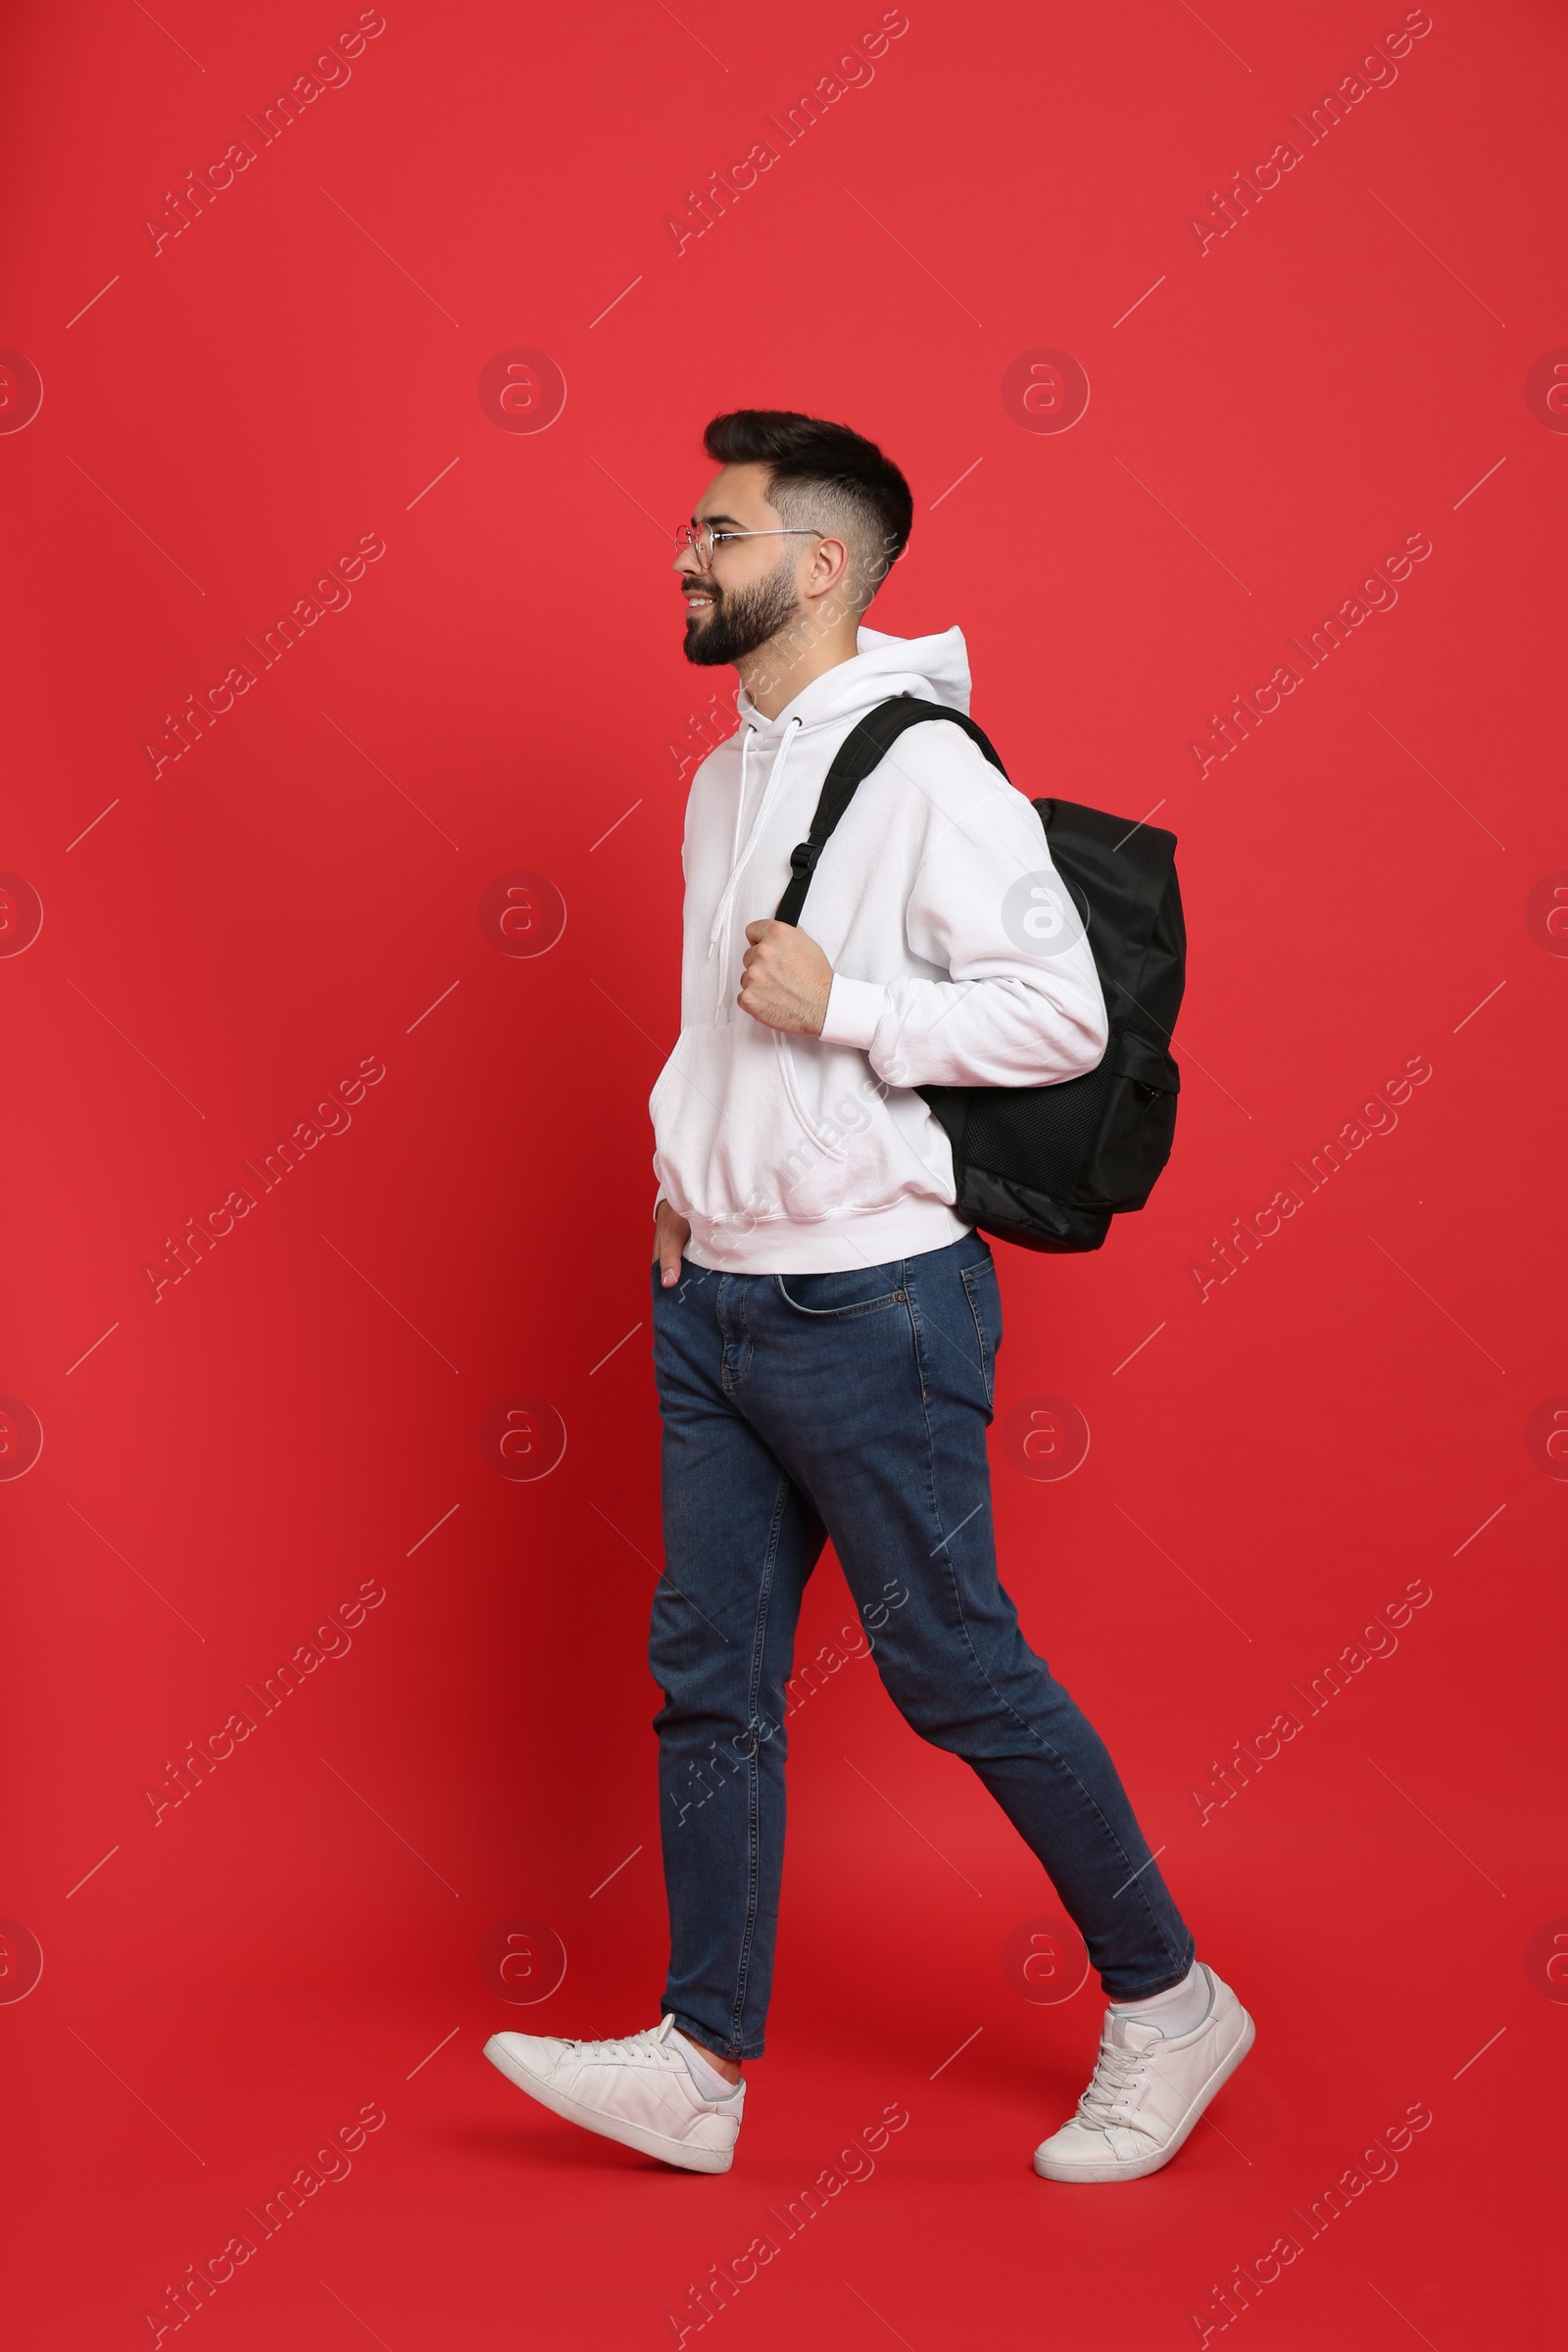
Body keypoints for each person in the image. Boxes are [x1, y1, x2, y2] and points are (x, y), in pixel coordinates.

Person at [485, 409, 1252, 2181]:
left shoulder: (922, 772)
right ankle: (699, 2064)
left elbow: (1059, 1014)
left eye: (719, 532)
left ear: (819, 567)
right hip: (713, 1299)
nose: (686, 557)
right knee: (710, 1680)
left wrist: (849, 1005)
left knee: (952, 1668)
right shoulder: (722, 770)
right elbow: (710, 1026)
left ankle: (1171, 1999)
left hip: (872, 1308)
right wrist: (684, 1191)